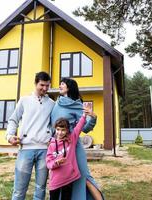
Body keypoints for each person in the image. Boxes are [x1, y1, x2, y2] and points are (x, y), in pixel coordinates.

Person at [50, 78, 104, 200]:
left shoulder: (77, 105)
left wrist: (93, 117)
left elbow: (84, 128)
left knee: (84, 176)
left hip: (74, 146)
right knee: (62, 179)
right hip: (59, 147)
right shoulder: (56, 103)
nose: (59, 85)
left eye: (62, 83)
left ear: (69, 87)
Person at [6, 71, 55, 200]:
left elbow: (55, 124)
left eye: (47, 86)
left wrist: (52, 138)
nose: (45, 88)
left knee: (41, 188)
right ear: (36, 83)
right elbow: (13, 120)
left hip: (44, 150)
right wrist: (10, 136)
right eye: (42, 85)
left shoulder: (51, 103)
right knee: (19, 188)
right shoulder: (24, 100)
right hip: (25, 149)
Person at [46, 103, 95, 200]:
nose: (60, 132)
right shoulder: (51, 145)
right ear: (55, 129)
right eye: (58, 129)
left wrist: (84, 115)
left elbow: (79, 127)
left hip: (68, 179)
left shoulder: (71, 140)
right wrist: (56, 163)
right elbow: (48, 162)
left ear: (67, 130)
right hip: (55, 181)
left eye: (63, 130)